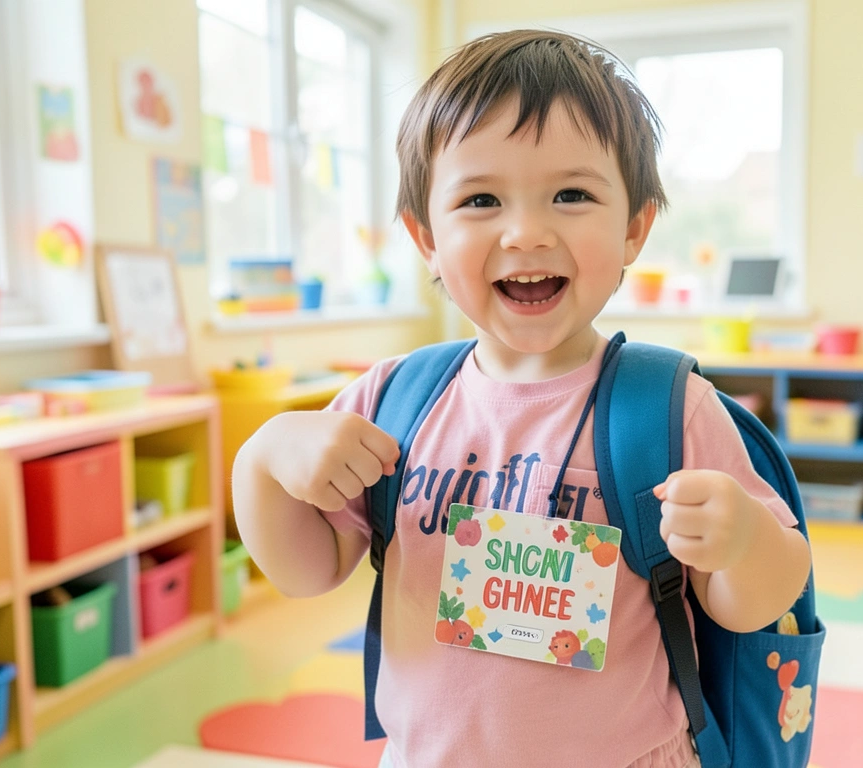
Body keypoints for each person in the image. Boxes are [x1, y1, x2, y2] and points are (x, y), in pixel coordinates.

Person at [232, 29, 812, 768]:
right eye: (480, 199)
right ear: (426, 239)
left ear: (634, 226)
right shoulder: (393, 400)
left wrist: (744, 544)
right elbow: (305, 570)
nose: (526, 231)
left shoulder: (670, 409)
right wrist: (262, 459)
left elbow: (758, 601)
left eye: (571, 194)